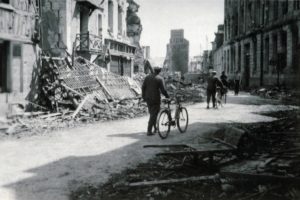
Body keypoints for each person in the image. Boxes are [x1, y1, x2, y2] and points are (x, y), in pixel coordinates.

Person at [142, 66, 169, 136]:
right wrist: (167, 96)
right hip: (155, 99)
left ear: (154, 70)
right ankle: (149, 130)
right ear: (159, 71)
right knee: (154, 114)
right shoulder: (160, 78)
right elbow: (163, 90)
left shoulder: (147, 77)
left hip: (148, 98)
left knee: (152, 114)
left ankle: (155, 128)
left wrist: (143, 96)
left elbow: (143, 87)